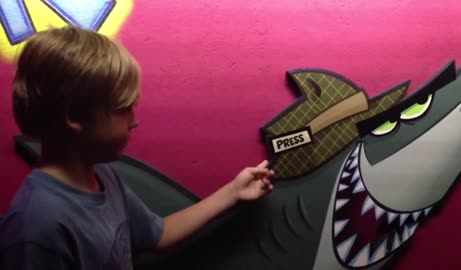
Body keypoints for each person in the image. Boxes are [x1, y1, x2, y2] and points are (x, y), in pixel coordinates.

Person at [0, 25, 274, 269]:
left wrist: (233, 191)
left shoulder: (101, 175)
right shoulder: (36, 227)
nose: (134, 121)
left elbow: (158, 233)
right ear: (74, 116)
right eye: (123, 109)